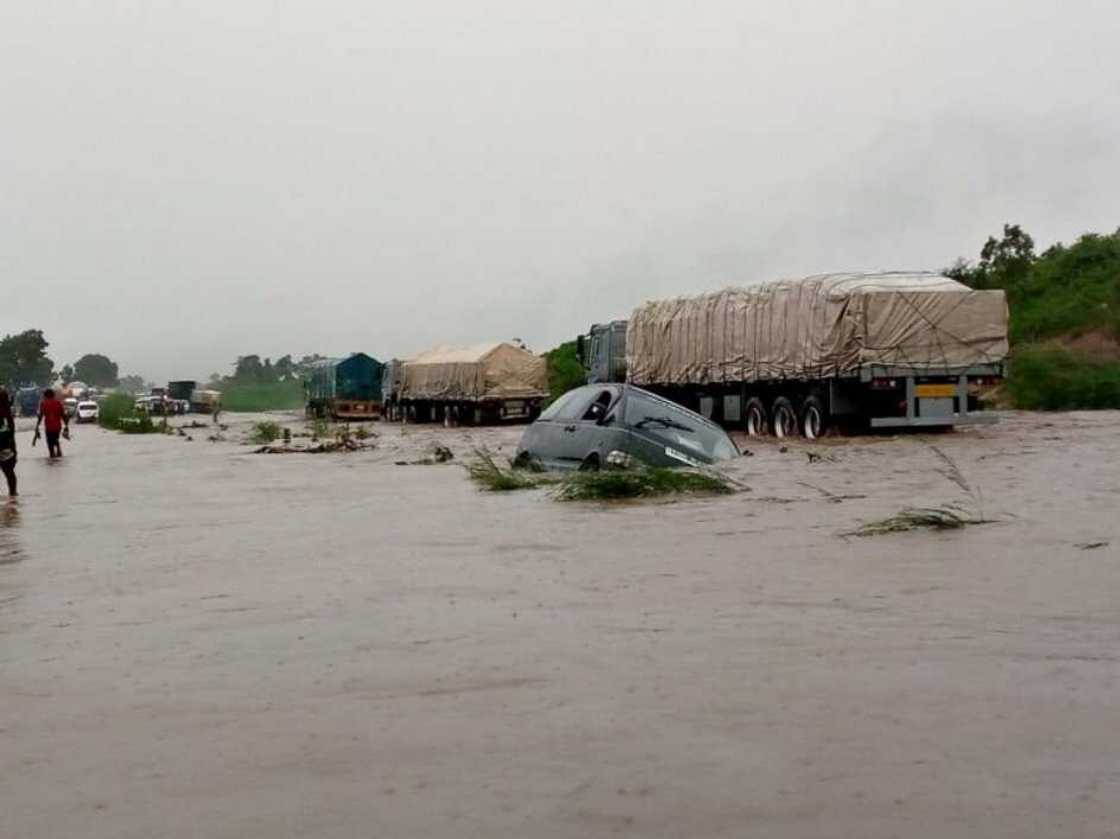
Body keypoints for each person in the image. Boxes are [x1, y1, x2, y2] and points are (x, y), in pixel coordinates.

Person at [36, 388, 69, 459]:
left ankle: (52, 456)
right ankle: (58, 451)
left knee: (50, 442)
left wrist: (37, 426)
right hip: (57, 427)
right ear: (53, 395)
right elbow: (63, 415)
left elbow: (41, 416)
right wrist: (66, 426)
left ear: (45, 396)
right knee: (55, 439)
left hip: (49, 427)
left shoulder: (43, 403)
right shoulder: (58, 403)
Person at [0, 388, 17, 498]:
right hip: (7, 448)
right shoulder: (7, 414)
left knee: (9, 473)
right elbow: (10, 434)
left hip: (5, 448)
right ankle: (13, 495)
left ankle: (13, 495)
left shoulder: (7, 415)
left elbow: (9, 433)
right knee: (9, 473)